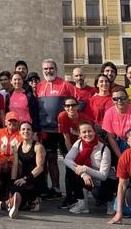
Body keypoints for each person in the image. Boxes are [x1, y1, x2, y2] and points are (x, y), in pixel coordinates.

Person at [35, 58, 76, 199]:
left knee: (69, 159)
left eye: (51, 68)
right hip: (46, 130)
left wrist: (73, 119)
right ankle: (55, 189)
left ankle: (72, 191)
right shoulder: (39, 86)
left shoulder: (65, 85)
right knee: (50, 160)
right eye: (45, 69)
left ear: (56, 69)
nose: (48, 71)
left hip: (63, 130)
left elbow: (78, 101)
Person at [62, 120, 113, 215]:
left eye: (90, 131)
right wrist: (83, 173)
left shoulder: (104, 149)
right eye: (84, 132)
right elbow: (67, 160)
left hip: (104, 181)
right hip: (89, 177)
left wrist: (85, 169)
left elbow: (103, 176)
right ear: (80, 134)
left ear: (94, 132)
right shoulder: (79, 143)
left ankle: (111, 201)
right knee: (71, 172)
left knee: (97, 192)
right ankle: (83, 205)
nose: (87, 134)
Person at [58, 95, 93, 209]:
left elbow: (86, 138)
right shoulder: (62, 116)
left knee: (79, 170)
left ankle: (80, 196)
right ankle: (69, 197)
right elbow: (66, 137)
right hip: (69, 145)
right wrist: (71, 157)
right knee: (69, 169)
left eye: (73, 105)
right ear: (64, 107)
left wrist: (79, 155)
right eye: (67, 106)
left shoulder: (83, 118)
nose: (70, 108)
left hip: (82, 145)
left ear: (77, 106)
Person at [10, 121, 47, 213]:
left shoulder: (38, 147)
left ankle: (34, 200)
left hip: (36, 177)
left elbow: (40, 168)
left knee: (20, 189)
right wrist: (12, 181)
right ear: (19, 132)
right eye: (23, 129)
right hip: (24, 177)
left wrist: (26, 178)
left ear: (33, 132)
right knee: (14, 189)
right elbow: (15, 166)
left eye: (28, 129)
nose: (25, 131)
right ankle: (18, 205)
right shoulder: (18, 146)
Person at [0, 112, 23, 200]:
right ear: (5, 122)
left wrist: (10, 160)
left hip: (15, 160)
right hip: (1, 160)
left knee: (18, 164)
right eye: (10, 122)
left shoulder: (21, 134)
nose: (12, 124)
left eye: (14, 122)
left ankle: (13, 189)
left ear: (18, 123)